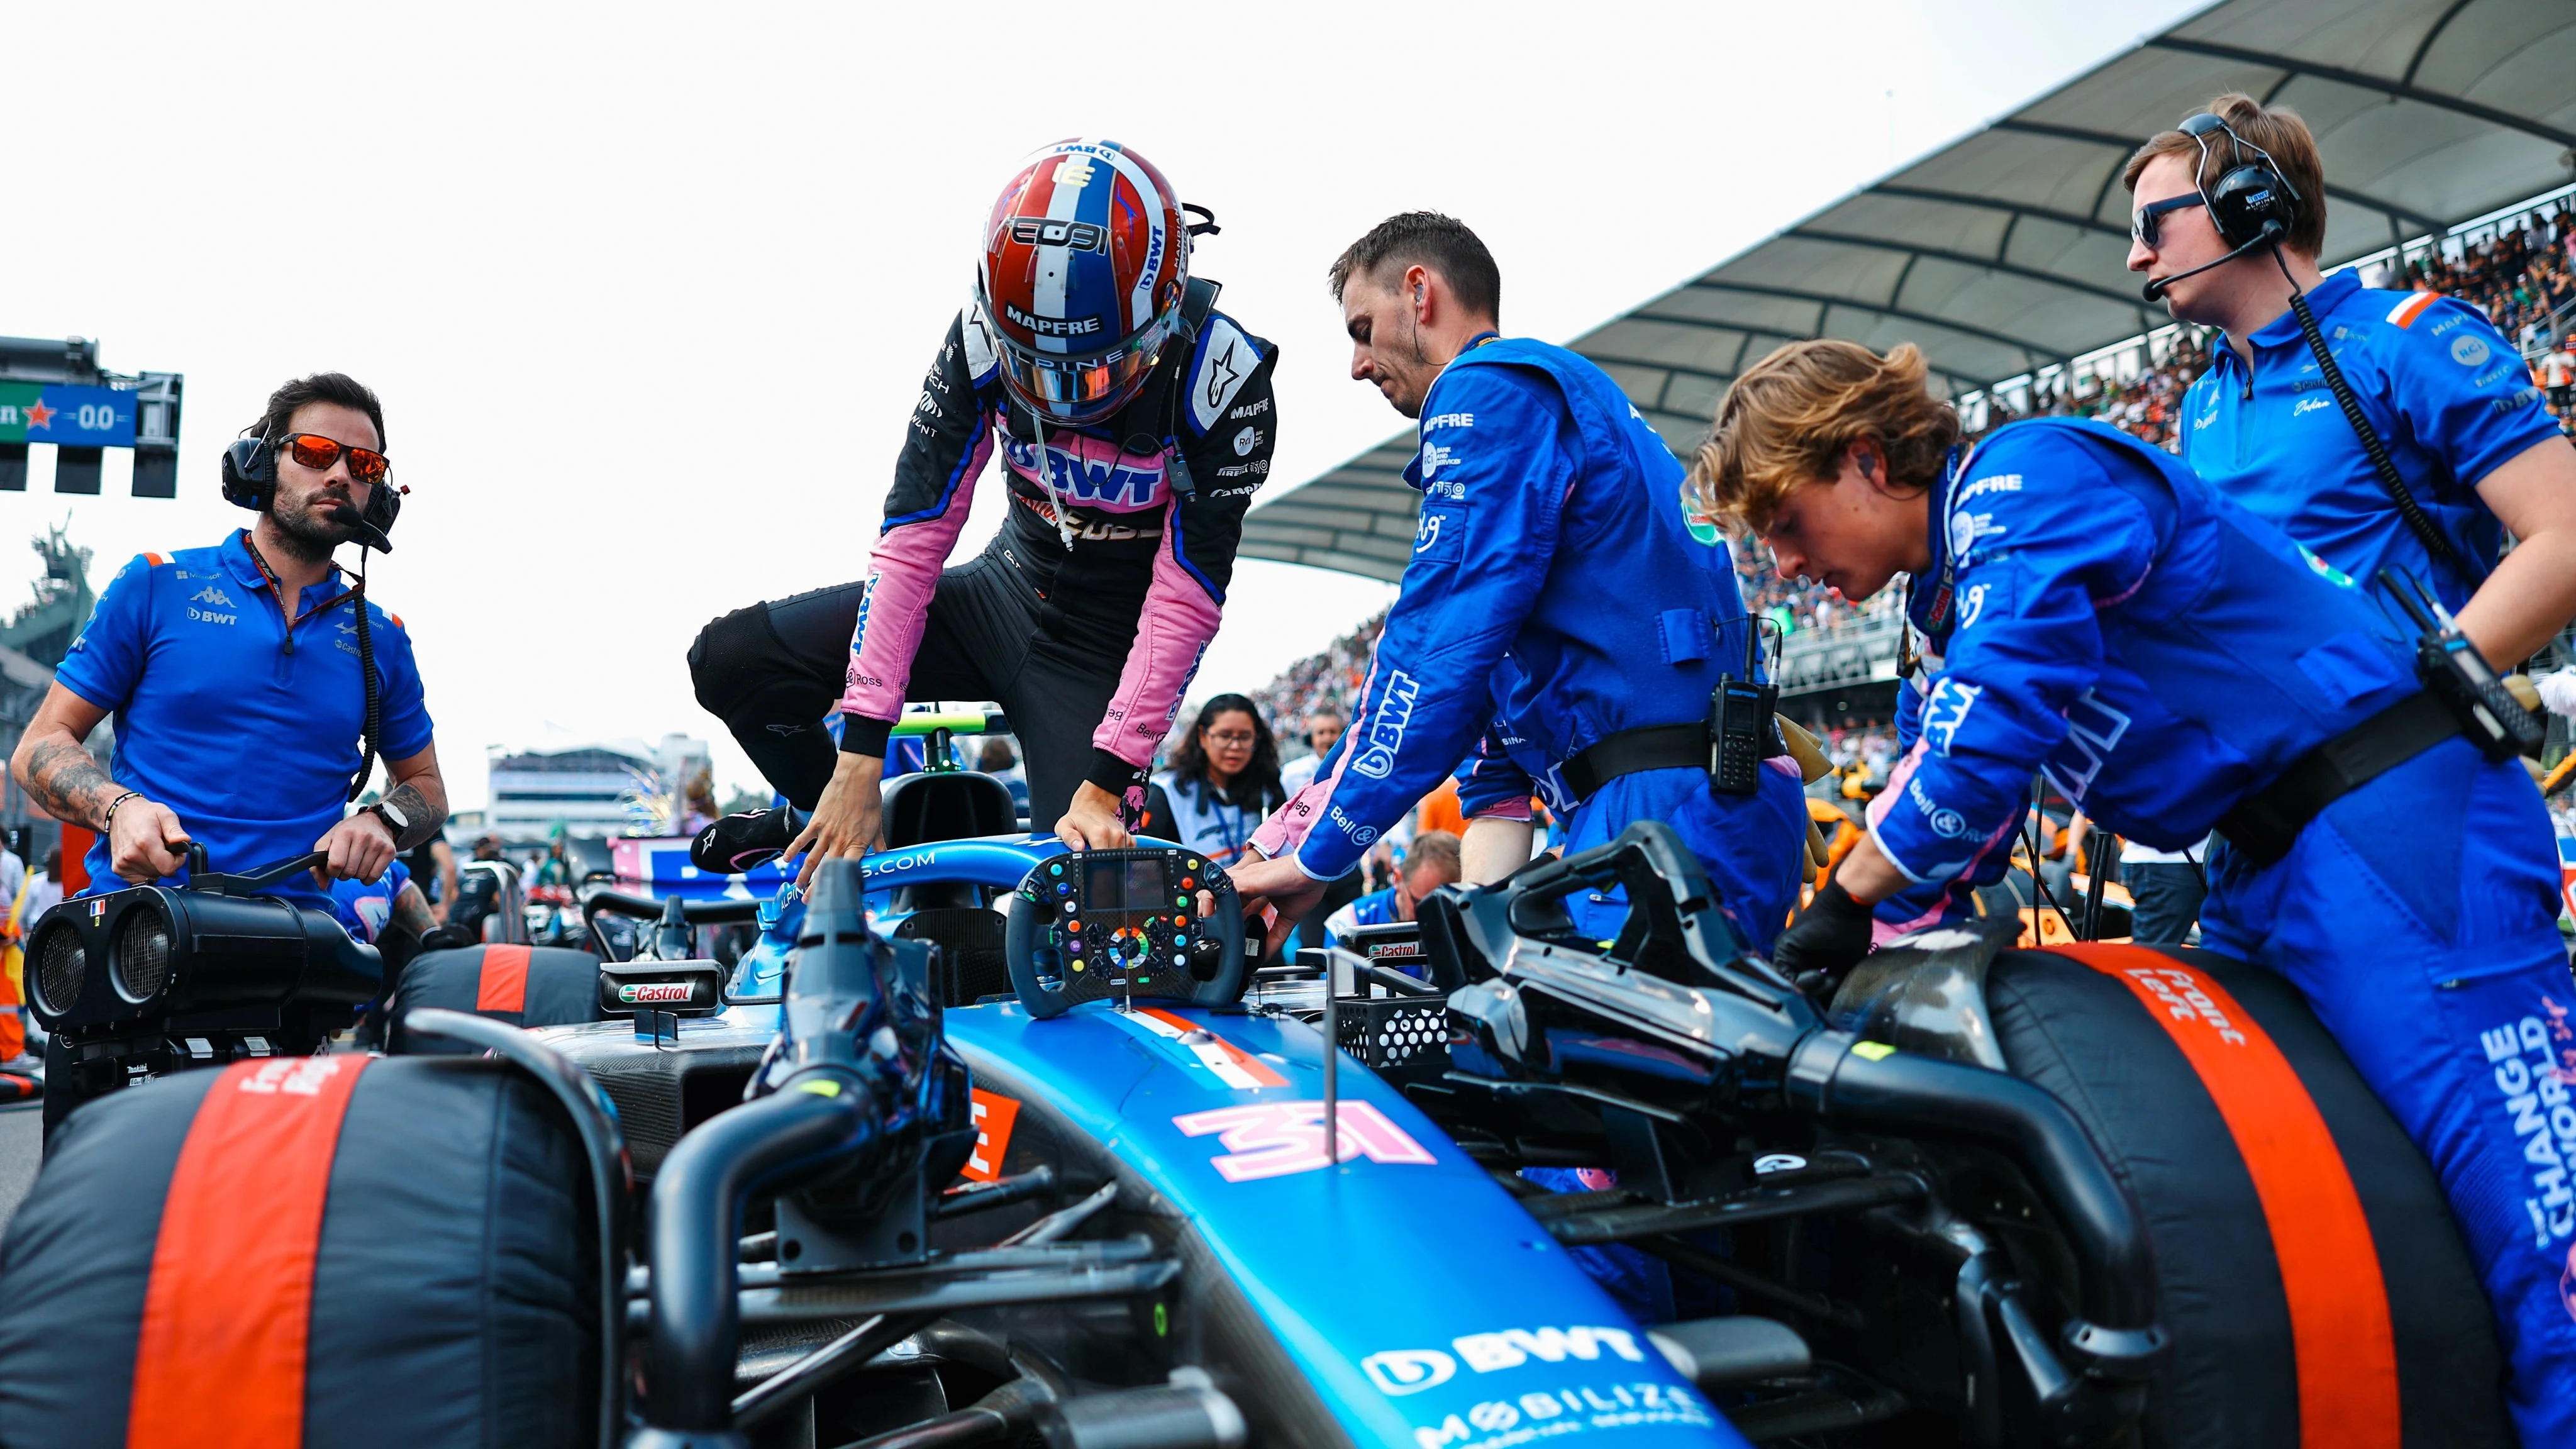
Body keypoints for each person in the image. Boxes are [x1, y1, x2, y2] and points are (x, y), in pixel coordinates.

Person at [1703, 337, 2575, 1442]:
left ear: (1866, 460)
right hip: (2273, 858)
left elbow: (1987, 735)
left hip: (2391, 817)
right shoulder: (1947, 596)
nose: (1783, 562)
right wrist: (1841, 941)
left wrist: (1846, 895)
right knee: (2377, 1194)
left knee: (2535, 1209)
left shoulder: (2026, 478)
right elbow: (1953, 803)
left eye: (1785, 521)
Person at [686, 140, 1279, 881]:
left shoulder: (1224, 380)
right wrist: (860, 753)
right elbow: (914, 542)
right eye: (1036, 365)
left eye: (1095, 367)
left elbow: (1184, 600)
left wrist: (1109, 774)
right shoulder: (975, 340)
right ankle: (812, 815)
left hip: (1101, 654)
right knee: (731, 658)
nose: (1065, 397)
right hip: (996, 596)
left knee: (1088, 898)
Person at [1227, 213, 1805, 948]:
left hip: (1663, 809)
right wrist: (1468, 915)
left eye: (1362, 328)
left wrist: (1318, 848)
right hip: (1678, 801)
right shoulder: (1553, 406)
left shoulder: (1488, 390)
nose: (1356, 363)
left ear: (1419, 293)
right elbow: (1494, 767)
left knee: (1606, 1061)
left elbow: (1442, 638)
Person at [2125, 96, 2576, 664]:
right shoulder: (2200, 403)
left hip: (2414, 740)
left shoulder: (2408, 337)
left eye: (2151, 224)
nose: (2136, 257)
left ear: (2243, 204)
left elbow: (2567, 535)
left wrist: (2433, 693)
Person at [8, 371, 445, 916]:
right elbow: (38, 748)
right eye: (314, 452)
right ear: (260, 465)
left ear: (376, 495)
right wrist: (117, 809)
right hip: (144, 928)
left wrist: (383, 820)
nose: (338, 475)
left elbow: (426, 787)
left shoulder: (384, 638)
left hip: (299, 944)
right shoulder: (154, 586)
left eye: (363, 465)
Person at [1141, 694, 1283, 867]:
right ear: (1203, 736)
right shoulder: (1166, 792)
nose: (1235, 746)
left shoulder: (1267, 785)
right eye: (1225, 736)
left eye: (1245, 737)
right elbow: (1144, 867)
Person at [1322, 828, 1460, 944]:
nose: (1433, 917)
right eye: (1422, 905)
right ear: (1398, 879)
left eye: (1447, 908)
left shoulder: (1470, 920)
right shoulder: (1348, 924)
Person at [1277, 705, 1346, 796]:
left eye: (1333, 732)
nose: (1327, 738)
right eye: (1321, 732)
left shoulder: (1353, 770)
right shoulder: (1291, 773)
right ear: (1310, 737)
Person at [401, 830, 458, 925]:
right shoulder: (429, 825)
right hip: (419, 907)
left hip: (383, 904)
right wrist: (445, 906)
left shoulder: (384, 821)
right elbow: (450, 868)